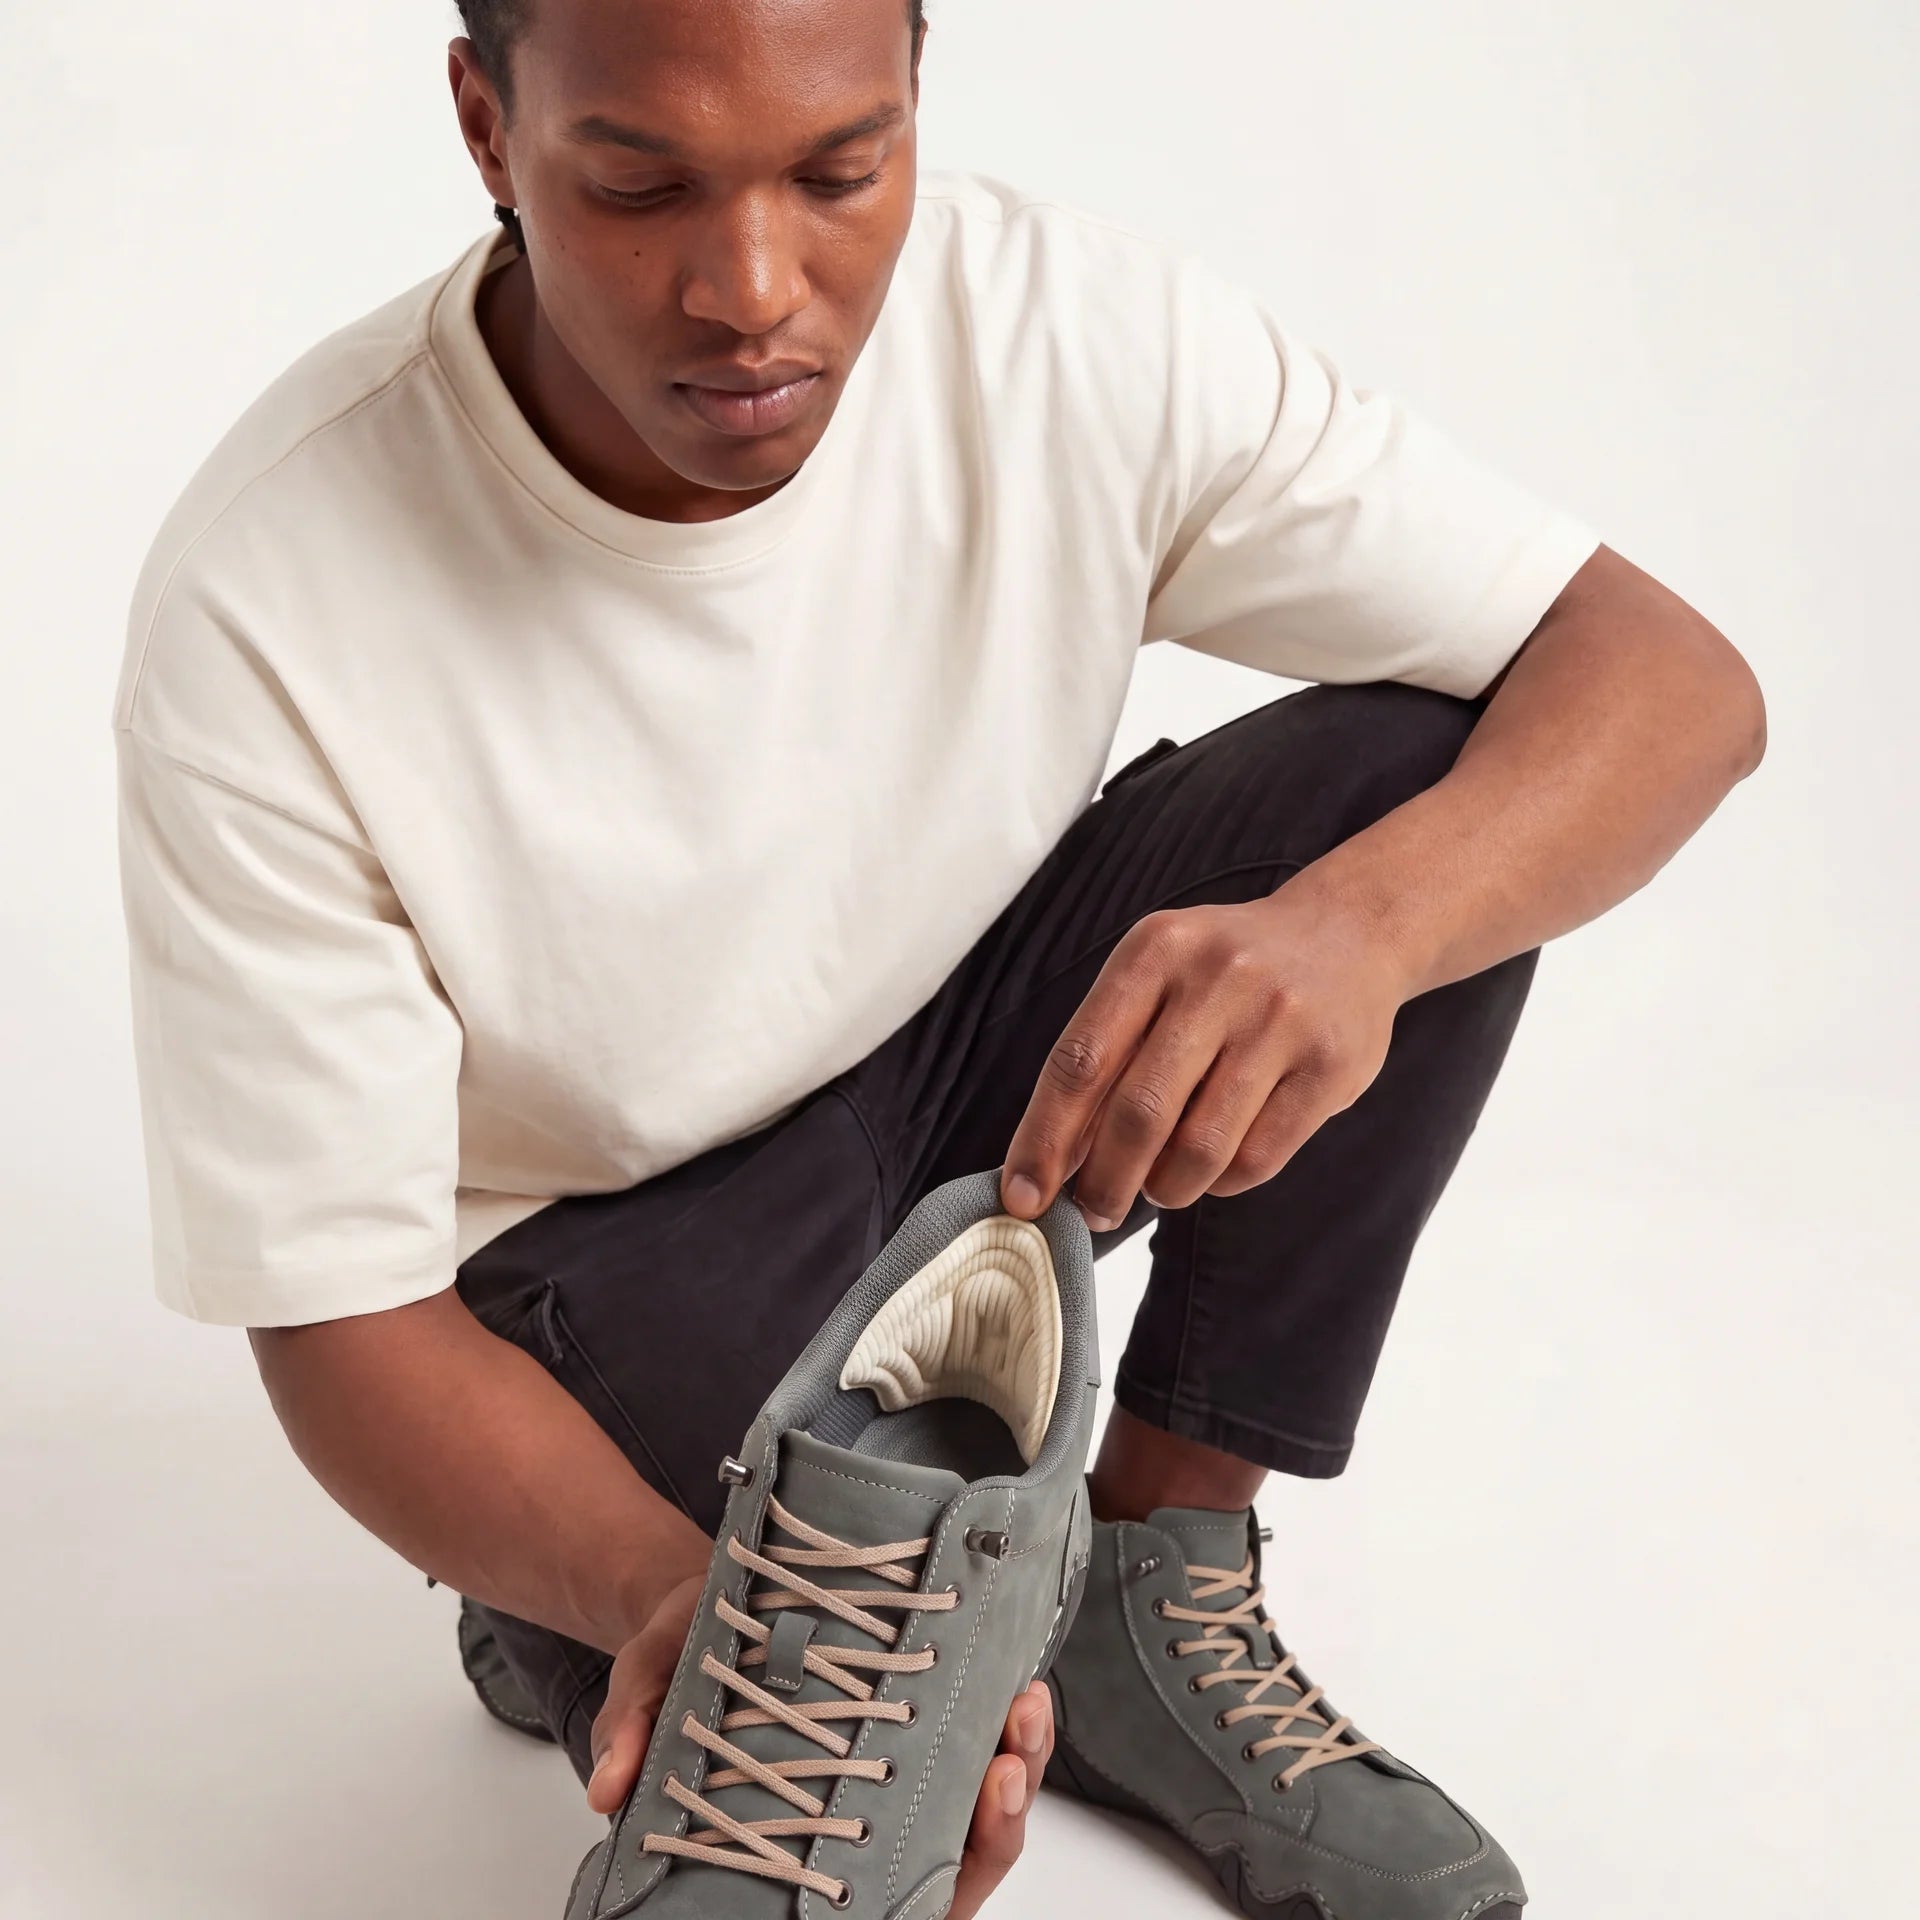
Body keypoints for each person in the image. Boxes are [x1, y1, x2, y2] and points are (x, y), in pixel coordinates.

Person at [109, 1, 1765, 1914]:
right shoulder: (271, 597)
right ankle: (585, 1601)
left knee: (1428, 789)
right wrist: (665, 1596)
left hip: (978, 1092)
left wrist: (1362, 931)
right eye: (640, 187)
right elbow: (341, 1321)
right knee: (789, 1721)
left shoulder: (1065, 334)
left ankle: (1141, 1577)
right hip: (601, 1284)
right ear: (489, 124)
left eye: (840, 172)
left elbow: (1672, 686)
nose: (753, 293)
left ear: (914, 98)